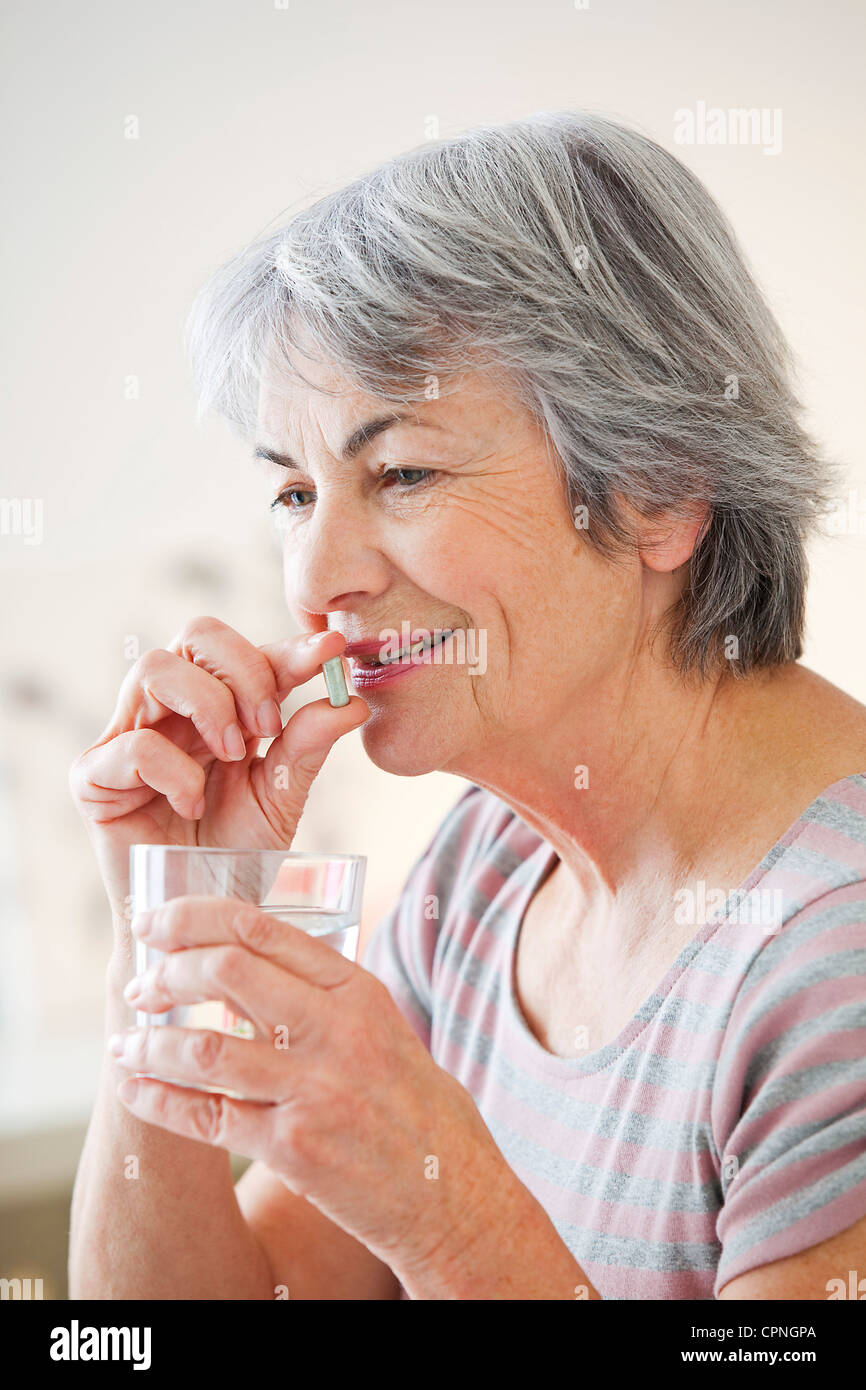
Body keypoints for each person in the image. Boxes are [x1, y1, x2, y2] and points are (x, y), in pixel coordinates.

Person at [68, 110, 866, 1299]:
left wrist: (447, 1219)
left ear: (656, 490)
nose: (314, 577)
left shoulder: (831, 967)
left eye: (401, 473)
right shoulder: (488, 870)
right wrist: (177, 924)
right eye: (294, 491)